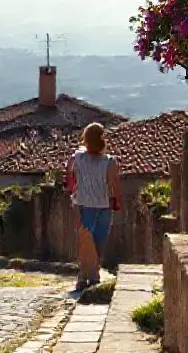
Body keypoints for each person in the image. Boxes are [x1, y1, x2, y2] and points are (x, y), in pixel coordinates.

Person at [64, 122, 122, 290]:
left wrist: (72, 187)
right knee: (98, 242)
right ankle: (93, 275)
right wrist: (117, 201)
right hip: (103, 206)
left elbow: (69, 172)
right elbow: (114, 185)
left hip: (82, 205)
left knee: (85, 241)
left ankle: (83, 276)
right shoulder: (109, 161)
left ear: (86, 139)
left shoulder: (77, 157)